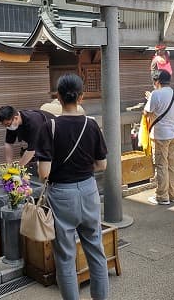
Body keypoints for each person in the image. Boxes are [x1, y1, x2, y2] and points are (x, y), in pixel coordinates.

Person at [35, 74, 109, 300]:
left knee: (65, 257)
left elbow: (44, 173)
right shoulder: (92, 125)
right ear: (81, 97)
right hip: (88, 190)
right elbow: (102, 165)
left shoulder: (50, 127)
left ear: (57, 97)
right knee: (96, 250)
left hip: (61, 195)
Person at [143, 70, 174, 205]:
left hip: (160, 135)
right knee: (172, 165)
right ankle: (173, 194)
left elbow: (147, 112)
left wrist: (150, 98)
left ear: (157, 81)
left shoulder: (155, 94)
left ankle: (162, 196)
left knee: (161, 165)